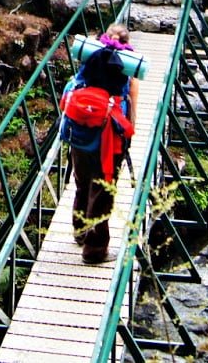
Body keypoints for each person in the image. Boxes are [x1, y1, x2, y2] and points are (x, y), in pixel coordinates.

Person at [63, 24, 139, 263]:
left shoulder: (89, 59)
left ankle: (80, 232)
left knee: (82, 184)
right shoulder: (126, 66)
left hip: (80, 135)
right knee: (102, 191)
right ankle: (94, 251)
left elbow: (70, 90)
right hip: (108, 140)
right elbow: (130, 107)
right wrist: (130, 133)